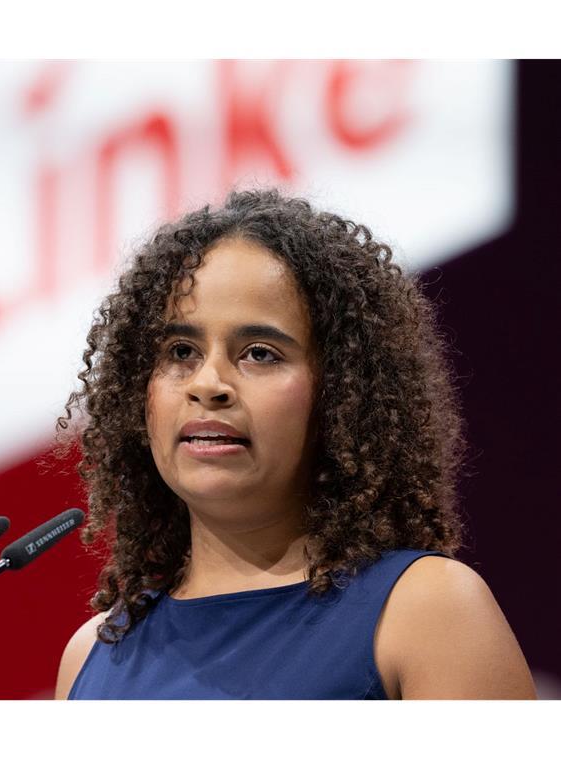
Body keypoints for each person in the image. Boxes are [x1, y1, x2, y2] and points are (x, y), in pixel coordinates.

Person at [53, 189, 536, 699]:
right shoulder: (95, 653)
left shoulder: (426, 611)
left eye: (259, 353)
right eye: (180, 351)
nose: (207, 382)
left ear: (341, 391)